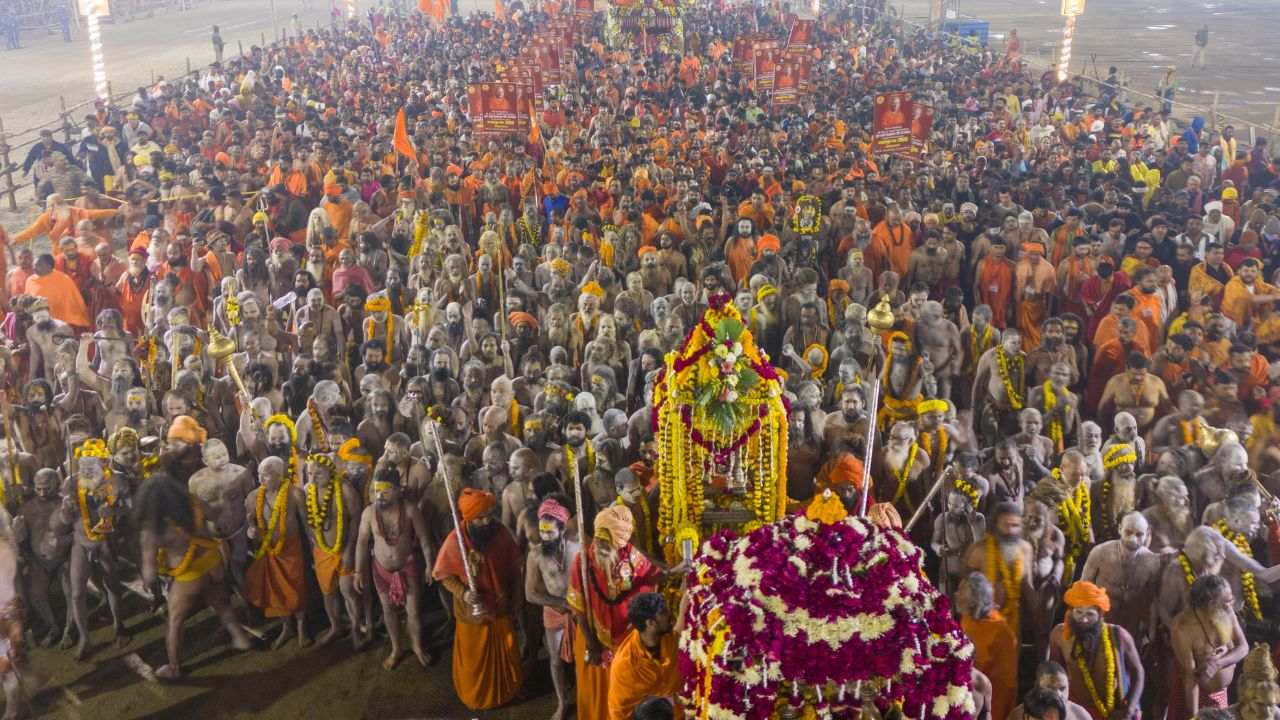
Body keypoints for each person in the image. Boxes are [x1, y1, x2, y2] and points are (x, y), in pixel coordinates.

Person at [136, 474, 251, 679]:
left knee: (175, 621)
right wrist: (224, 499)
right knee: (220, 602)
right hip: (213, 561)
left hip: (189, 576)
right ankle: (240, 638)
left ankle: (174, 667)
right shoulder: (192, 502)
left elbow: (149, 569)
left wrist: (149, 581)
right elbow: (216, 514)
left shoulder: (152, 529)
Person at [430, 486, 523, 706]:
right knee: (474, 659)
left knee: (506, 651)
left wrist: (517, 598)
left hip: (500, 607)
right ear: (469, 519)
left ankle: (507, 691)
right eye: (480, 518)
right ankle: (477, 697)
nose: (486, 522)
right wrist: (463, 593)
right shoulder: (456, 541)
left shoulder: (500, 533)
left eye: (489, 516)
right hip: (473, 612)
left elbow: (514, 568)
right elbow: (443, 575)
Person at [1048, 581, 1145, 720]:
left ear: (1100, 614)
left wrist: (1129, 709)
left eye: (1090, 614)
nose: (1085, 619)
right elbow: (1054, 673)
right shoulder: (1059, 635)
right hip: (1077, 711)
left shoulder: (1119, 635)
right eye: (1079, 612)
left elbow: (1138, 672)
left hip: (1115, 710)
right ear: (1070, 612)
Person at [1169, 574, 1248, 719]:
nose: (1232, 604)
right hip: (1196, 695)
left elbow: (1243, 647)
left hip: (1221, 693)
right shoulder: (1182, 627)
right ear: (1212, 604)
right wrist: (1194, 717)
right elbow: (1190, 677)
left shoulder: (1226, 612)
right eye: (1228, 601)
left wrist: (1218, 663)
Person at [607, 591, 682, 720]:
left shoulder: (668, 638)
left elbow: (681, 627)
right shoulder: (625, 664)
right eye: (663, 612)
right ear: (650, 623)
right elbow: (619, 713)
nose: (669, 614)